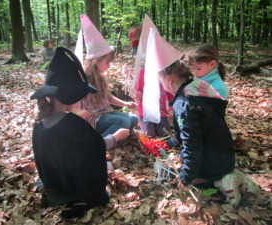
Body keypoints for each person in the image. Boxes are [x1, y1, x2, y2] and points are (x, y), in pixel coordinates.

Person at [145, 28, 260, 207]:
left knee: (189, 181)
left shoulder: (184, 105)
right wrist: (175, 141)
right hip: (225, 154)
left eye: (160, 81)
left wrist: (186, 175)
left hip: (212, 161)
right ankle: (225, 173)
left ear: (168, 79)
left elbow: (193, 144)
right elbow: (197, 129)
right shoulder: (196, 87)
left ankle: (221, 180)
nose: (161, 85)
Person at [30, 47, 129, 218]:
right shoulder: (73, 124)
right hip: (71, 182)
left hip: (53, 179)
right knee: (107, 166)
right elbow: (96, 147)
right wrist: (117, 136)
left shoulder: (38, 123)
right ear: (70, 97)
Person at [77, 14, 138, 137]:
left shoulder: (100, 77)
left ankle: (115, 137)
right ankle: (99, 143)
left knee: (133, 119)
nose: (109, 66)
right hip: (92, 119)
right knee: (124, 121)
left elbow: (108, 97)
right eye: (107, 62)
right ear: (95, 61)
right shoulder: (81, 78)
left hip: (104, 113)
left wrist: (126, 104)